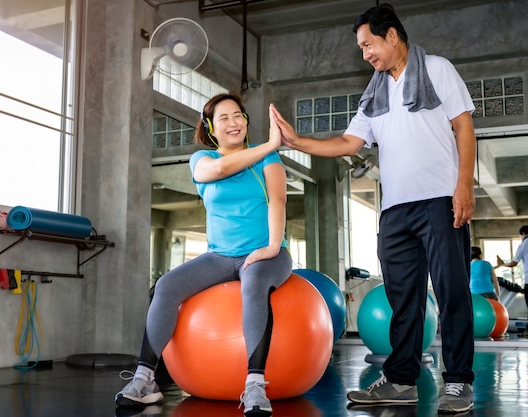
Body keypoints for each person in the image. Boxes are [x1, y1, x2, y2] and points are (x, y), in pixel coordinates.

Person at [271, 3, 476, 413]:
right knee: (403, 299)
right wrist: (298, 142)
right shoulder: (376, 92)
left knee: (452, 292)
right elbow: (348, 143)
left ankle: (458, 383)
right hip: (396, 209)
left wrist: (464, 186)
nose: (365, 54)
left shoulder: (436, 69)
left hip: (440, 198)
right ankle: (402, 380)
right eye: (361, 48)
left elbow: (464, 127)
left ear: (393, 36)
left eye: (368, 44)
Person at [114, 93, 292, 417]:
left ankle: (254, 385)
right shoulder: (201, 159)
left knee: (253, 285)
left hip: (266, 253)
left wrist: (272, 247)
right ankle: (145, 381)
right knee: (166, 286)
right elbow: (221, 168)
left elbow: (278, 201)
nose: (233, 122)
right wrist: (270, 143)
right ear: (211, 127)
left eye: (238, 115)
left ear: (246, 121)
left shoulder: (269, 161)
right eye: (223, 118)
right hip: (219, 257)